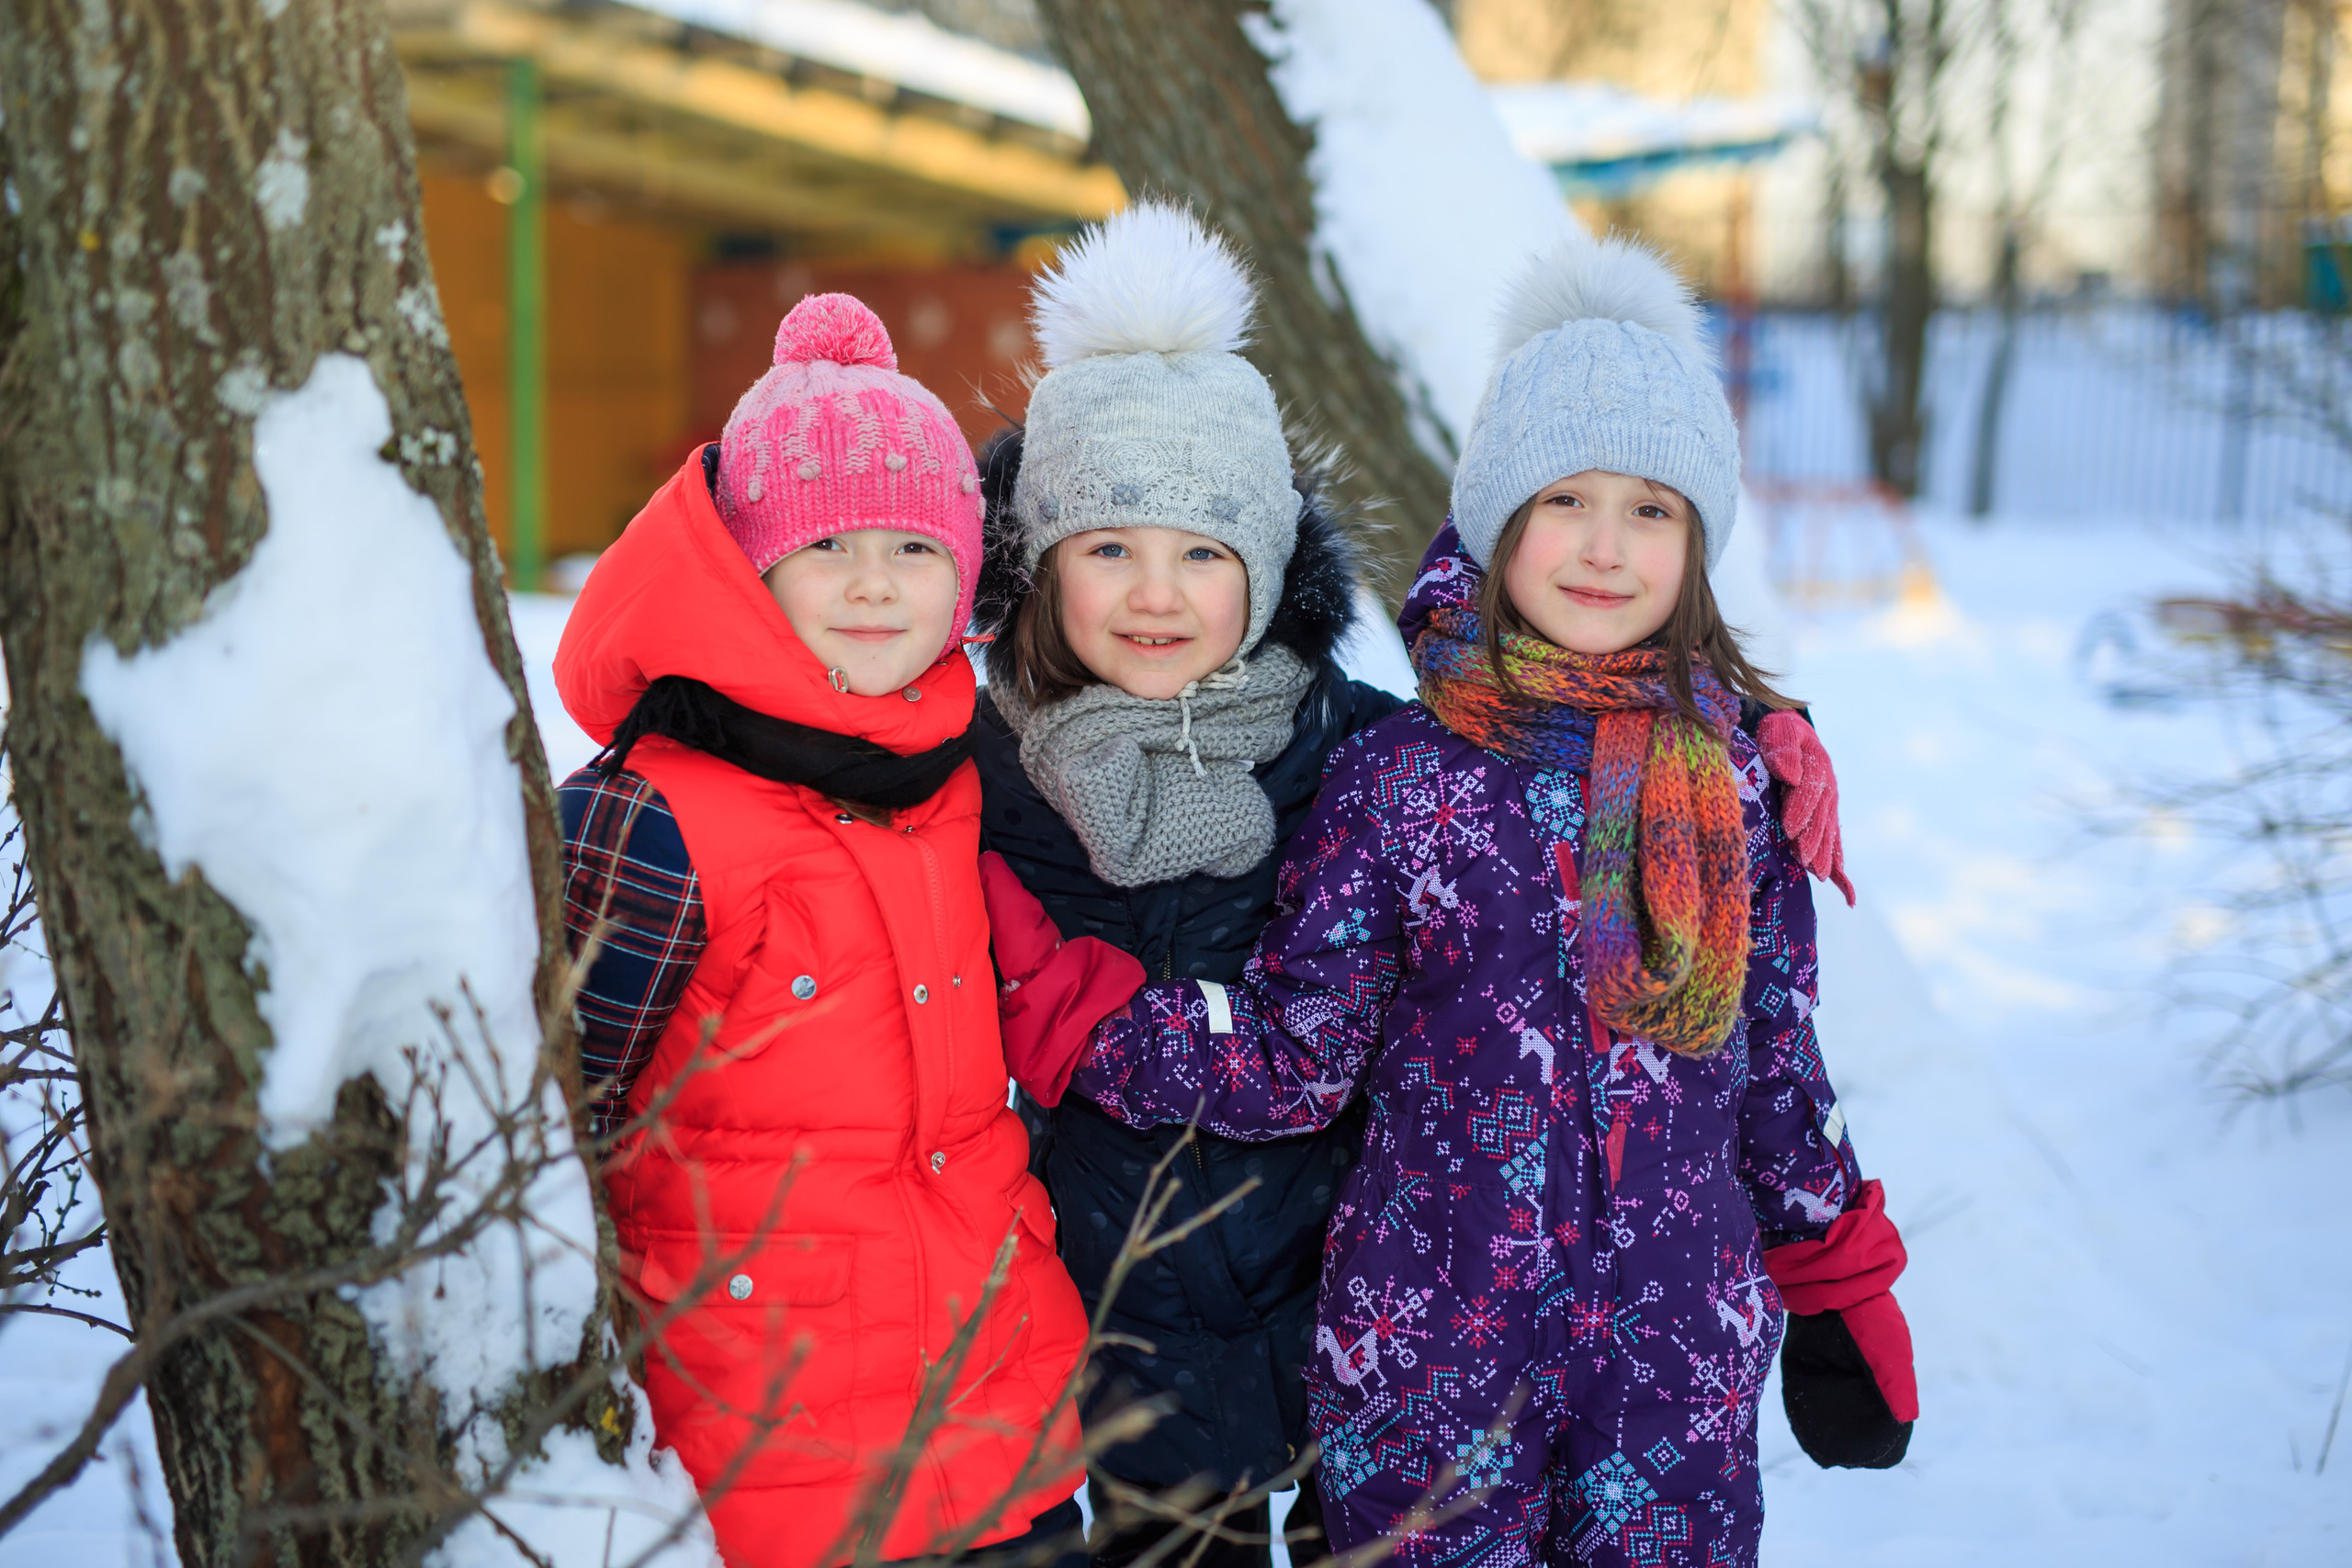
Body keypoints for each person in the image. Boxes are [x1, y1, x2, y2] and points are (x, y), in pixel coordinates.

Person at [979, 234, 1917, 1568]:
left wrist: (1839, 1278)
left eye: (1652, 511)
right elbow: (1300, 1054)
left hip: (1675, 1368)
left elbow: (1774, 1058)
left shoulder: (1730, 786)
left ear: (1700, 544)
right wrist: (1083, 1015)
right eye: (1564, 500)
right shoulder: (1402, 776)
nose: (1604, 548)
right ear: (1496, 520)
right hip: (1430, 1365)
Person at [551, 293, 1088, 1568]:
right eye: (827, 541)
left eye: (914, 546)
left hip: (997, 1432)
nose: (873, 583)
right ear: (748, 568)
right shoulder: (652, 817)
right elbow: (545, 1131)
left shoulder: (973, 775)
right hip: (773, 1455)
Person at [967, 201, 1401, 1568]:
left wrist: (1754, 731)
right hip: (1115, 1330)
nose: (1156, 595)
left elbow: (1556, 772)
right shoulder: (977, 770)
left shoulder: (1362, 752)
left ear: (1266, 572)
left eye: (1204, 552)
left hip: (1352, 1318)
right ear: (1037, 565)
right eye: (1109, 548)